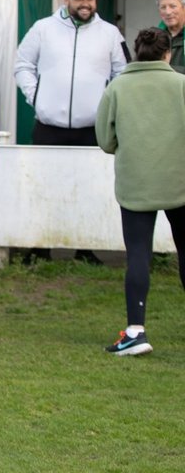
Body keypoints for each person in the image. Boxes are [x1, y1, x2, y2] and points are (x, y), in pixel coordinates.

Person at [95, 27, 185, 356]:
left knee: (137, 255)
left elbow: (105, 140)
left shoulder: (117, 87)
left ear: (136, 52)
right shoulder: (181, 85)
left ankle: (136, 331)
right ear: (167, 54)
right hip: (180, 182)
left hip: (136, 183)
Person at [14, 0, 126, 146]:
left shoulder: (111, 33)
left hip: (94, 130)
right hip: (48, 129)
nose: (85, 4)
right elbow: (22, 65)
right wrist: (36, 96)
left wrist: (108, 104)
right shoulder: (42, 28)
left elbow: (122, 73)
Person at [155, 0, 185, 74]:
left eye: (173, 6)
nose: (168, 12)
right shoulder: (153, 37)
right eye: (163, 7)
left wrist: (164, 71)